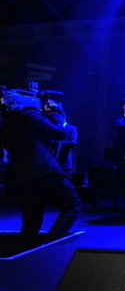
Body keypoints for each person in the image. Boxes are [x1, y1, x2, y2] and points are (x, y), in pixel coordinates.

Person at [0, 96, 81, 250]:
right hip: (44, 170)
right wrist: (56, 113)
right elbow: (59, 133)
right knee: (72, 205)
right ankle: (49, 246)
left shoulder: (4, 122)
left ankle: (25, 259)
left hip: (22, 177)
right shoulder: (27, 112)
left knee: (30, 225)